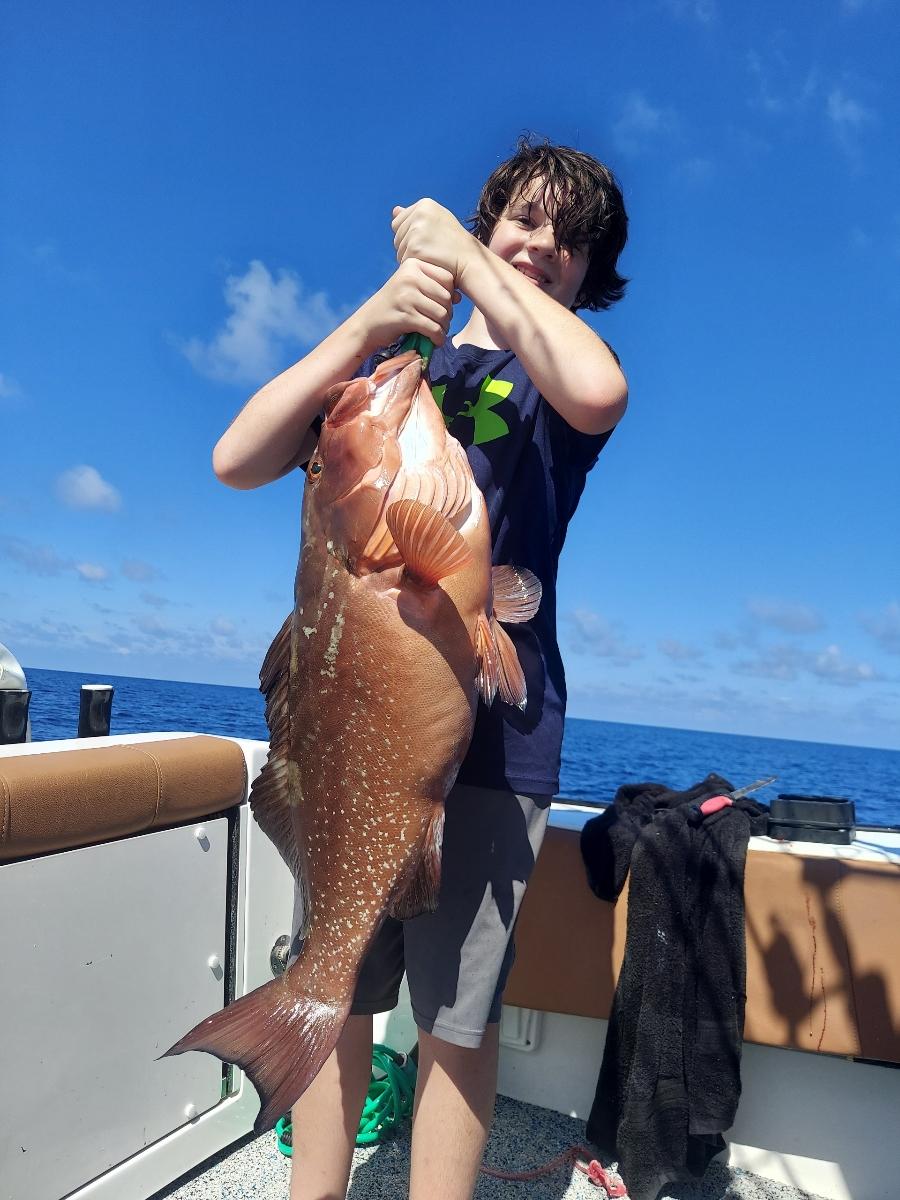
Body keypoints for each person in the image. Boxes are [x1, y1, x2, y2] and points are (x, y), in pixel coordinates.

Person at [212, 135, 629, 1200]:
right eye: (525, 221)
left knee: (456, 1015)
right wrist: (374, 318)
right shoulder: (394, 371)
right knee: (341, 987)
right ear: (492, 220)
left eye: (571, 242)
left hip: (500, 745)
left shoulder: (553, 376)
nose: (545, 247)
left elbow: (595, 390)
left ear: (590, 277)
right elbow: (239, 457)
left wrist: (471, 260)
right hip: (355, 737)